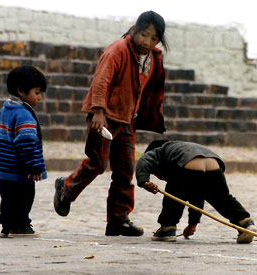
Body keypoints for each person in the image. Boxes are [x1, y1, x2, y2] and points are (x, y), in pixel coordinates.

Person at [53, 10, 169, 237]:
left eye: (154, 38)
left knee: (125, 171)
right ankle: (66, 188)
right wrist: (98, 111)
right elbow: (101, 81)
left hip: (126, 122)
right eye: (144, 35)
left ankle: (118, 219)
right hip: (104, 118)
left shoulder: (151, 58)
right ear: (134, 29)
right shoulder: (116, 50)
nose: (147, 42)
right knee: (97, 163)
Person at [135, 139, 257, 243]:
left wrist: (144, 181)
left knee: (173, 193)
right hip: (214, 165)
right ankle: (245, 224)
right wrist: (192, 224)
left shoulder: (160, 150)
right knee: (222, 199)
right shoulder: (182, 147)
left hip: (187, 164)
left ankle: (167, 228)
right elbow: (197, 197)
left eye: (156, 173)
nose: (159, 177)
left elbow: (144, 160)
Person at [0, 65, 47, 238]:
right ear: (21, 91)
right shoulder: (24, 114)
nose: (40, 98)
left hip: (3, 169)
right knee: (24, 198)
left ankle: (7, 226)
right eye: (36, 93)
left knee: (7, 198)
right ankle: (21, 226)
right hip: (20, 169)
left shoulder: (4, 110)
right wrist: (33, 166)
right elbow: (26, 141)